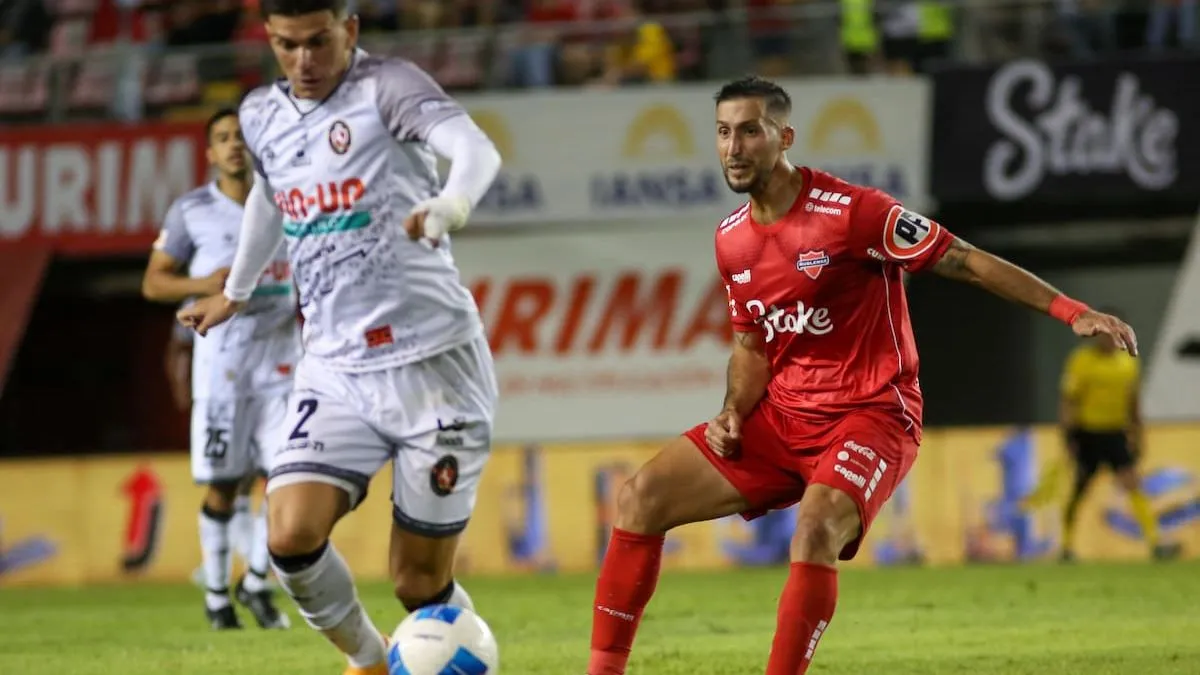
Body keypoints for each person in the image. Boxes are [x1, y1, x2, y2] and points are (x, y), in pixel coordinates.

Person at [584, 75, 1139, 675]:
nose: (734, 147)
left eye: (750, 130)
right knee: (640, 498)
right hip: (783, 418)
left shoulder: (853, 213)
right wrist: (732, 412)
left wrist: (1072, 311)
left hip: (871, 414)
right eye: (723, 132)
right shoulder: (731, 240)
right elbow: (750, 346)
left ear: (784, 136)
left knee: (816, 527)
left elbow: (966, 261)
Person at [176, 1, 502, 673]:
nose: (303, 61)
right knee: (289, 535)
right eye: (286, 45)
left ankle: (460, 651)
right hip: (334, 367)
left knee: (417, 584)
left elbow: (475, 148)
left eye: (318, 42)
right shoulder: (261, 114)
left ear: (349, 30)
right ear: (268, 38)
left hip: (433, 363)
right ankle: (372, 662)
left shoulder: (389, 88)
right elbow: (272, 195)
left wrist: (452, 202)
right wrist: (236, 292)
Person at [143, 108, 296, 631]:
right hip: (223, 365)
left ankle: (255, 582)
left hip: (283, 360)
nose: (235, 146)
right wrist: (204, 283)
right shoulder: (192, 211)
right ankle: (216, 596)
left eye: (241, 137)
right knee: (225, 487)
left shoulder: (287, 197)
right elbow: (153, 283)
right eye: (223, 139)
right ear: (209, 153)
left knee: (291, 481)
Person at [1058, 309, 1180, 562]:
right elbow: (1069, 400)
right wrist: (1068, 436)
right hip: (1087, 433)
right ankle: (1065, 546)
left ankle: (1155, 544)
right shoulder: (1081, 361)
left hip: (1115, 433)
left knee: (1132, 483)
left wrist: (1138, 433)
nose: (1108, 336)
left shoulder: (1128, 364)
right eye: (1104, 330)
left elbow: (1133, 403)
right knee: (1078, 491)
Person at [167, 318, 273, 590]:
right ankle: (240, 563)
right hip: (223, 395)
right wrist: (184, 393)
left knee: (259, 480)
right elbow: (178, 347)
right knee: (231, 484)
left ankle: (252, 564)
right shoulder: (204, 293)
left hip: (265, 391)